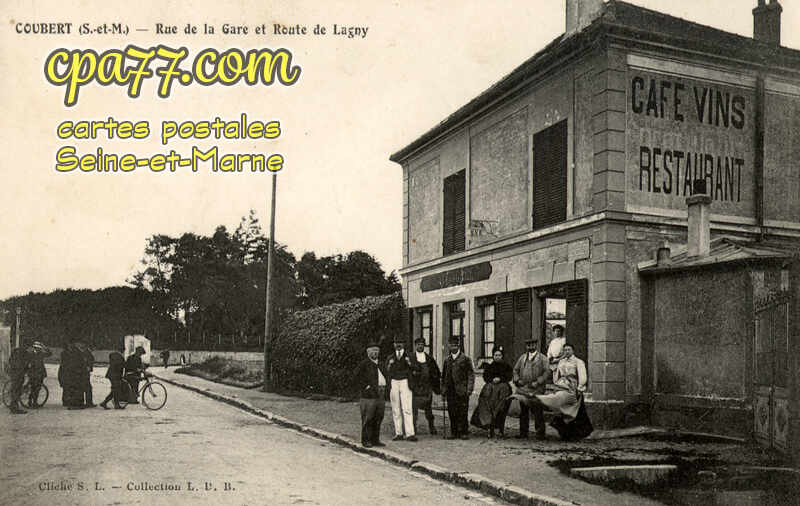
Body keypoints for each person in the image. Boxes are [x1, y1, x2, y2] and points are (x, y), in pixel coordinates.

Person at [534, 343, 593, 440]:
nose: (567, 352)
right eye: (565, 350)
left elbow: (583, 376)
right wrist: (557, 383)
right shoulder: (561, 362)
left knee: (575, 413)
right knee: (562, 409)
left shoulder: (578, 362)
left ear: (573, 351)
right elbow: (557, 375)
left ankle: (576, 435)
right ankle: (565, 433)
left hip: (573, 388)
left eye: (569, 350)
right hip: (562, 386)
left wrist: (580, 387)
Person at [509, 336, 550, 439]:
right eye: (528, 345)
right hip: (524, 389)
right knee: (523, 411)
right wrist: (517, 380)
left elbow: (547, 372)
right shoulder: (522, 358)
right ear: (526, 346)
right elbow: (515, 370)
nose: (530, 347)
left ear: (536, 345)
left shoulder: (543, 358)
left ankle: (540, 433)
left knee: (537, 411)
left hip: (537, 389)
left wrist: (538, 382)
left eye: (532, 345)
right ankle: (523, 433)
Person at [470, 346, 513, 438]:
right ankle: (490, 428)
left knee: (501, 409)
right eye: (495, 355)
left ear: (502, 356)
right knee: (486, 406)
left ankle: (500, 430)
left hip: (503, 390)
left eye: (499, 355)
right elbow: (486, 377)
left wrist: (500, 379)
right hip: (490, 390)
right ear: (493, 356)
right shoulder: (490, 367)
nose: (497, 357)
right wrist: (492, 380)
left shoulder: (507, 366)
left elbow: (509, 376)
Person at [353, 341, 388, 448]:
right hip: (368, 395)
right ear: (368, 352)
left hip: (381, 393)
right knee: (368, 418)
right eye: (373, 351)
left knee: (379, 417)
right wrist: (365, 387)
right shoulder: (364, 364)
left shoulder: (381, 363)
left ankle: (375, 440)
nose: (375, 353)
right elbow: (355, 377)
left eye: (377, 351)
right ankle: (366, 440)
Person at [440, 336, 475, 440]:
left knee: (462, 411)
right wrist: (443, 390)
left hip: (462, 390)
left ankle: (464, 432)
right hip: (450, 390)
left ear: (458, 346)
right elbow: (444, 376)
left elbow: (470, 375)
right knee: (452, 411)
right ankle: (454, 432)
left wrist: (469, 389)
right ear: (449, 346)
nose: (453, 347)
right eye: (451, 345)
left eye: (455, 345)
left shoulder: (465, 359)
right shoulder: (447, 360)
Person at [385, 338, 418, 441]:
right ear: (394, 344)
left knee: (407, 408)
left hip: (405, 382)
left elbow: (416, 368)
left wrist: (410, 364)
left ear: (404, 344)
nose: (398, 345)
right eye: (396, 343)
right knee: (396, 408)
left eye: (400, 342)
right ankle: (398, 433)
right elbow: (386, 370)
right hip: (394, 382)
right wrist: (389, 365)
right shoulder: (390, 357)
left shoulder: (410, 356)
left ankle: (410, 434)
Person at [409, 336, 441, 435]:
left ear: (424, 346)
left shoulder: (429, 359)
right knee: (414, 409)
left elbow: (436, 372)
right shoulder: (411, 358)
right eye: (418, 345)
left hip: (427, 387)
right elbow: (408, 372)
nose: (420, 346)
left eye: (422, 345)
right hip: (415, 388)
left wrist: (434, 382)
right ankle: (413, 427)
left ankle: (431, 426)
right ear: (415, 346)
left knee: (428, 409)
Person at [6, 340, 33, 414]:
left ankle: (14, 406)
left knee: (14, 389)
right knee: (17, 390)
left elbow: (10, 360)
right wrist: (27, 371)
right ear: (27, 346)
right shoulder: (26, 353)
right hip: (19, 374)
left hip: (13, 372)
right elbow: (26, 364)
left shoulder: (15, 350)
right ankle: (14, 408)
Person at [58, 341, 85, 409]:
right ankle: (67, 402)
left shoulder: (77, 352)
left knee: (72, 388)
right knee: (67, 388)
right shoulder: (65, 353)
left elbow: (80, 362)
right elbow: (63, 363)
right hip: (68, 372)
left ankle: (72, 402)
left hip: (73, 372)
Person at [27, 341, 51, 408]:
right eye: (36, 348)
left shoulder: (41, 353)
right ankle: (30, 401)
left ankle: (35, 402)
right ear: (34, 347)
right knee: (33, 388)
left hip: (40, 373)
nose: (38, 349)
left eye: (39, 348)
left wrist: (44, 347)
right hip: (33, 373)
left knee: (38, 388)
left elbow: (49, 354)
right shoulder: (30, 354)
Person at [78, 343, 96, 408]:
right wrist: (88, 367)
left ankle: (86, 402)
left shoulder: (86, 352)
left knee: (86, 388)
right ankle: (88, 402)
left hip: (85, 373)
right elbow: (86, 362)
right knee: (87, 388)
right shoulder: (87, 353)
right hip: (85, 373)